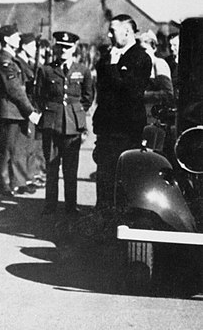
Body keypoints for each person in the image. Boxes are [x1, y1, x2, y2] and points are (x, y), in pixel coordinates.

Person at [93, 14, 152, 209]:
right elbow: (101, 92)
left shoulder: (140, 57)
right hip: (107, 130)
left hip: (127, 130)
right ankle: (102, 220)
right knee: (104, 178)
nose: (109, 35)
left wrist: (113, 67)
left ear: (127, 31)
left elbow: (132, 92)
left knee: (124, 178)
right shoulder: (106, 58)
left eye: (113, 31)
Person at [34, 32, 93, 215]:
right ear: (55, 48)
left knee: (70, 168)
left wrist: (75, 114)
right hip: (51, 125)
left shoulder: (82, 70)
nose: (63, 51)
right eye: (59, 47)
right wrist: (52, 111)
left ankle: (70, 206)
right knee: (51, 167)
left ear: (74, 48)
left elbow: (88, 97)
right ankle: (50, 205)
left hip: (72, 125)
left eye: (67, 47)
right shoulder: (46, 70)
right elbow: (38, 96)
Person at [0, 24, 42, 197]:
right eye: (15, 36)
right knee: (6, 149)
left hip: (17, 112)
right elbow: (14, 89)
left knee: (18, 149)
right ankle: (4, 184)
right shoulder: (4, 60)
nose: (19, 39)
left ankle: (18, 181)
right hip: (9, 111)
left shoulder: (12, 60)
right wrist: (30, 111)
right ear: (6, 39)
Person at [15, 33, 46, 189]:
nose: (35, 50)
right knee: (22, 147)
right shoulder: (17, 63)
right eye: (33, 46)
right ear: (25, 46)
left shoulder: (28, 64)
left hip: (31, 108)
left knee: (32, 146)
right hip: (23, 109)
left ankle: (29, 176)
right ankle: (20, 181)